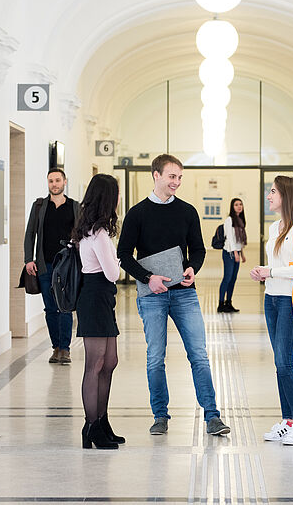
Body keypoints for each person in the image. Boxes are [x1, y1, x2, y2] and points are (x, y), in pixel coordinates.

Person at [116, 154, 230, 437]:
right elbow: (123, 255)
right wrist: (147, 278)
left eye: (179, 177)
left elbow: (199, 250)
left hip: (184, 294)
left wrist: (193, 268)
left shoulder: (187, 211)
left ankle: (212, 416)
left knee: (199, 356)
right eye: (171, 176)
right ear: (156, 175)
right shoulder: (137, 213)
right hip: (151, 295)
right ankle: (160, 416)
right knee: (155, 357)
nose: (176, 182)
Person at [249, 176, 293, 445]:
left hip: (291, 301)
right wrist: (264, 274)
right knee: (279, 364)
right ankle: (287, 421)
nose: (269, 196)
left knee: (284, 363)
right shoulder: (276, 226)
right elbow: (276, 264)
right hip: (272, 298)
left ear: (287, 196)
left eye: (273, 191)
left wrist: (272, 271)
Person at [72, 174, 123, 450]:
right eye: (116, 194)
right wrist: (117, 259)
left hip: (103, 298)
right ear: (107, 198)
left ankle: (102, 421)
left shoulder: (93, 230)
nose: (119, 200)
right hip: (94, 296)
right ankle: (91, 425)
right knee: (95, 364)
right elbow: (113, 273)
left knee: (110, 360)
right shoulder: (98, 233)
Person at [24, 168, 80, 364]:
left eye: (57, 180)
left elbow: (81, 236)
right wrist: (28, 259)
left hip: (67, 265)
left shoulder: (75, 207)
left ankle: (65, 349)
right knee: (50, 309)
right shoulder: (39, 206)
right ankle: (55, 347)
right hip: (44, 265)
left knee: (64, 307)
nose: (54, 184)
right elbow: (30, 233)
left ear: (65, 182)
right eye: (50, 181)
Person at [217, 197, 247, 313]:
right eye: (236, 205)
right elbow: (230, 239)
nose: (239, 206)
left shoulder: (241, 220)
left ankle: (228, 303)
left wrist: (241, 253)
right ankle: (221, 304)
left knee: (233, 279)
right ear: (232, 207)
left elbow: (239, 240)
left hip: (237, 252)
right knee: (227, 278)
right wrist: (235, 253)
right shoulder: (229, 220)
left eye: (240, 204)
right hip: (229, 252)